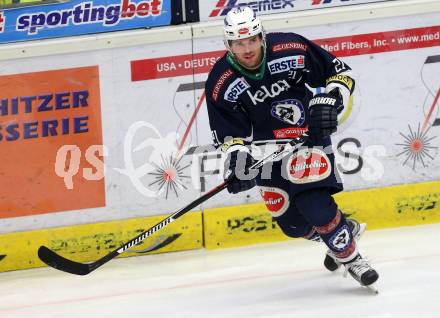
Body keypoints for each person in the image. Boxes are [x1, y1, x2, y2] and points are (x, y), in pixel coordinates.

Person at [204, 6, 379, 289]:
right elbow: (229, 134)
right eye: (238, 42)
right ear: (228, 44)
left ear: (261, 36)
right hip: (267, 151)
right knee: (292, 224)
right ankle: (341, 231)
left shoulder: (289, 47)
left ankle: (353, 258)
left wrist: (332, 103)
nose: (246, 48)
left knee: (315, 205)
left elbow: (340, 74)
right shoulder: (221, 80)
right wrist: (238, 161)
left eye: (251, 39)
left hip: (306, 136)